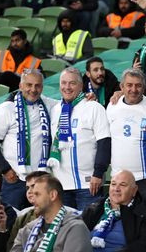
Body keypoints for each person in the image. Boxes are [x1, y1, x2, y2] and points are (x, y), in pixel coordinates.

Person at [0, 69, 57, 210]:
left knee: (41, 220)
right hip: (14, 181)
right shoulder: (6, 109)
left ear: (42, 87)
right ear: (20, 86)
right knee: (11, 221)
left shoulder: (49, 104)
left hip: (41, 180)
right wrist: (5, 170)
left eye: (37, 86)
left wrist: (88, 97)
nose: (33, 90)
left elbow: (70, 104)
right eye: (29, 85)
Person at [47, 67, 111, 211]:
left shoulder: (94, 107)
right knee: (65, 229)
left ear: (81, 85)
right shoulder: (54, 109)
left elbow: (104, 142)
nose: (67, 87)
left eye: (72, 83)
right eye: (63, 83)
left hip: (88, 184)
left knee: (88, 227)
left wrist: (98, 173)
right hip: (61, 185)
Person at [106, 68, 146, 217]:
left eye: (138, 85)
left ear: (144, 88)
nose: (134, 89)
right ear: (121, 87)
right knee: (120, 225)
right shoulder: (112, 106)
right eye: (129, 85)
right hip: (118, 179)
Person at [82, 170, 146, 251]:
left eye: (123, 185)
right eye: (113, 184)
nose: (116, 189)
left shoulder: (145, 217)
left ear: (134, 190)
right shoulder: (93, 210)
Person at [10, 175, 92, 252]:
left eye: (37, 194)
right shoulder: (27, 230)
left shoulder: (75, 228)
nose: (32, 198)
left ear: (53, 195)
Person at [6, 171, 50, 251]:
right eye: (27, 188)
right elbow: (12, 247)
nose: (29, 191)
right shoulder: (22, 217)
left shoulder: (68, 216)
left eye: (33, 186)